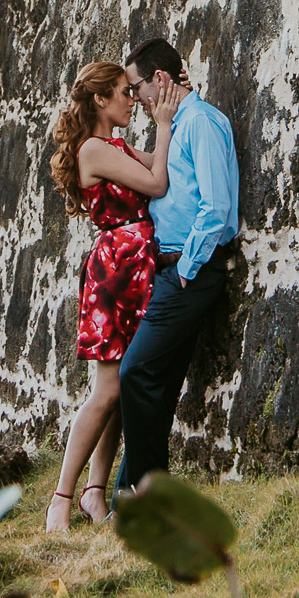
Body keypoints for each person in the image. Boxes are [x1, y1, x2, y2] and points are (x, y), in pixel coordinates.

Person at [45, 59, 184, 532]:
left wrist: (174, 112)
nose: (132, 100)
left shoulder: (114, 146)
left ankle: (94, 494)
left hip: (133, 269)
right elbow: (157, 182)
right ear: (100, 99)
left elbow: (167, 160)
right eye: (125, 92)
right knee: (105, 392)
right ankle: (60, 499)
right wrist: (163, 124)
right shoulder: (92, 151)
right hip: (114, 276)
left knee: (122, 389)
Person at [114, 37, 240, 496]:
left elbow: (216, 207)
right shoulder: (175, 124)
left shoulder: (202, 123)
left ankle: (144, 492)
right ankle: (130, 494)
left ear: (161, 79)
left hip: (190, 272)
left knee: (135, 373)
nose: (135, 98)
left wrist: (186, 268)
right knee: (159, 384)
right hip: (169, 270)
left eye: (137, 87)